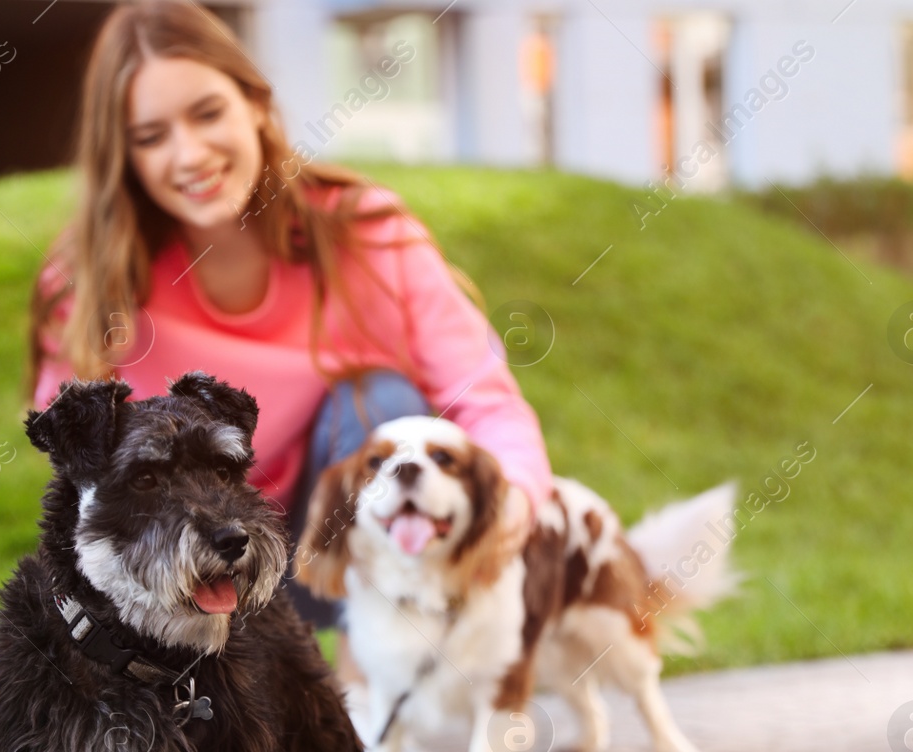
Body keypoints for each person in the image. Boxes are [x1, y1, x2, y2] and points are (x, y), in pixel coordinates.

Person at [28, 0, 553, 644]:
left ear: (254, 102)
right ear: (123, 154)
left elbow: (488, 402)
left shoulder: (365, 233)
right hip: (182, 581)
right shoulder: (88, 284)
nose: (189, 154)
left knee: (380, 400)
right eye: (151, 136)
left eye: (207, 113)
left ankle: (364, 671)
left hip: (327, 559)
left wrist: (514, 508)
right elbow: (78, 490)